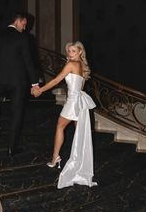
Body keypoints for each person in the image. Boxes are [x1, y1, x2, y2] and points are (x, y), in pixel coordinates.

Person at [31, 41, 97, 188]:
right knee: (79, 133)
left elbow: (56, 80)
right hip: (78, 101)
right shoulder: (81, 66)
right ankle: (79, 161)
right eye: (69, 51)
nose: (70, 53)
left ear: (80, 51)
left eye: (73, 51)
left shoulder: (71, 64)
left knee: (60, 127)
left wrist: (40, 90)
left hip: (73, 102)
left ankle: (55, 158)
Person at [0, 12, 39, 156]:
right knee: (16, 112)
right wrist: (34, 83)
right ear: (17, 21)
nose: (25, 28)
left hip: (0, 81)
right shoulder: (22, 38)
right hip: (18, 82)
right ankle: (11, 147)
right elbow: (28, 62)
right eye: (24, 24)